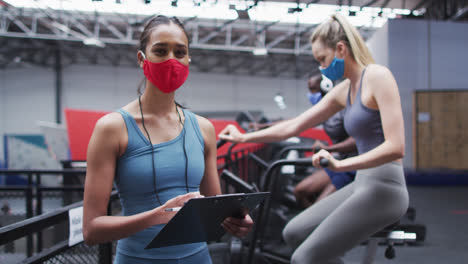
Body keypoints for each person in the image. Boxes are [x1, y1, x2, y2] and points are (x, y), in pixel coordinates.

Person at [219, 13, 408, 264]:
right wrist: (243, 137)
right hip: (362, 184)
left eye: (323, 59)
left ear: (341, 49)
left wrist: (341, 164)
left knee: (303, 259)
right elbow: (295, 125)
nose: (321, 68)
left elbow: (396, 147)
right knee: (293, 233)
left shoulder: (378, 77)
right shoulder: (345, 90)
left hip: (386, 189)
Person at [82, 15, 253, 264]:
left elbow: (215, 211)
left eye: (180, 52)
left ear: (188, 59)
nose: (171, 59)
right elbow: (91, 230)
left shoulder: (203, 128)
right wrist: (156, 216)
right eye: (160, 50)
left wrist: (235, 220)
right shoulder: (112, 128)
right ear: (142, 58)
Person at [294, 73, 358, 208]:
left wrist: (328, 149)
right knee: (300, 191)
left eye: (312, 89)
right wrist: (262, 126)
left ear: (325, 87)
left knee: (318, 208)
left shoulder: (344, 109)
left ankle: (317, 219)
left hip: (353, 166)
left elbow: (357, 140)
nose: (310, 94)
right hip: (338, 161)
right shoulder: (325, 110)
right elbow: (295, 122)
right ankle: (314, 219)